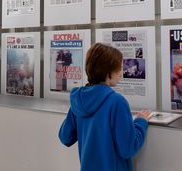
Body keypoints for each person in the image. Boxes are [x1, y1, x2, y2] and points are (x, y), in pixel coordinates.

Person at [59, 43, 152, 171]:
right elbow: (128, 148)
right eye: (119, 68)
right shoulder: (116, 102)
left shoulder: (78, 99)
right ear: (108, 72)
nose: (121, 73)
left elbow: (65, 137)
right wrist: (141, 122)